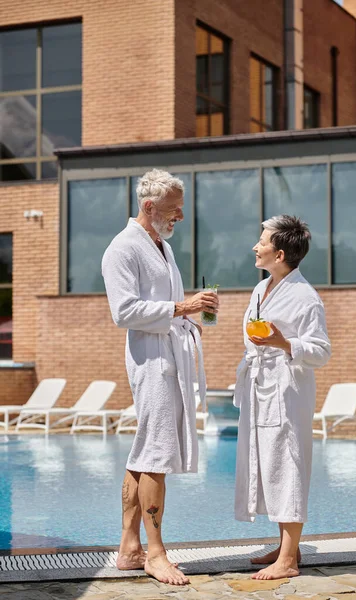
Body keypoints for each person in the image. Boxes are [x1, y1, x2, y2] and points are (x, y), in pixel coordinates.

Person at [101, 169, 219, 586]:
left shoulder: (161, 248)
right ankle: (156, 553)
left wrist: (189, 322)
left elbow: (164, 307)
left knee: (142, 455)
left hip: (169, 356)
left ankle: (129, 548)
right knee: (156, 456)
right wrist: (182, 308)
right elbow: (124, 312)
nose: (180, 216)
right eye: (174, 209)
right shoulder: (123, 249)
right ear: (149, 207)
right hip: (151, 365)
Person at [234, 215, 331, 581]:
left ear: (278, 253)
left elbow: (322, 351)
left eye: (261, 242)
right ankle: (287, 548)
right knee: (270, 465)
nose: (255, 246)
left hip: (287, 392)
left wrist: (283, 342)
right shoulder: (262, 289)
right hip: (260, 387)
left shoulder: (306, 298)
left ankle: (288, 561)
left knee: (288, 465)